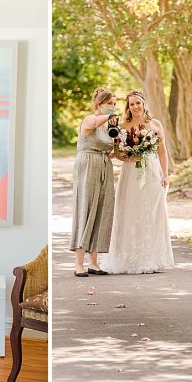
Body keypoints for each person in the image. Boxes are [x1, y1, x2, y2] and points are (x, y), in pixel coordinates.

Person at [101, 90, 175, 274]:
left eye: (138, 103)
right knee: (130, 211)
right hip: (131, 172)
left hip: (152, 170)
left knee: (152, 211)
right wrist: (128, 157)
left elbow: (163, 151)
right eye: (131, 104)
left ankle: (153, 257)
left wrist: (165, 174)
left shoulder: (156, 124)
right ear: (128, 107)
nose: (135, 107)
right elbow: (117, 152)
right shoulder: (123, 125)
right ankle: (127, 258)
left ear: (144, 104)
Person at [70, 87, 119, 277]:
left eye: (115, 105)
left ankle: (94, 263)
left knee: (102, 209)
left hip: (104, 165)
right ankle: (79, 264)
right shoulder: (90, 119)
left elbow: (113, 151)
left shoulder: (108, 126)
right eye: (109, 104)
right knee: (86, 208)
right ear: (99, 104)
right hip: (87, 164)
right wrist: (110, 116)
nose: (113, 108)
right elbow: (94, 124)